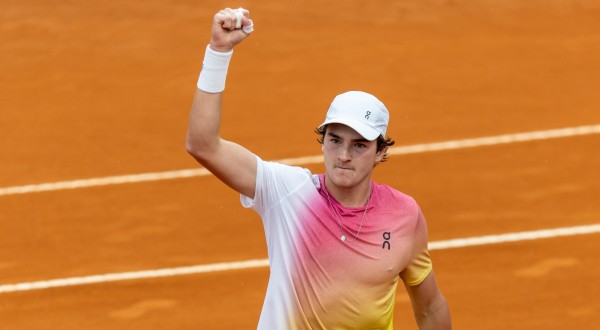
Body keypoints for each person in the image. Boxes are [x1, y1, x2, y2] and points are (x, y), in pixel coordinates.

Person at [186, 7, 451, 330]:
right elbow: (203, 145)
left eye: (359, 145)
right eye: (335, 140)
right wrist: (219, 52)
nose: (343, 155)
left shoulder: (404, 216)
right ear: (322, 141)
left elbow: (430, 307)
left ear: (380, 153)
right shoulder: (287, 192)